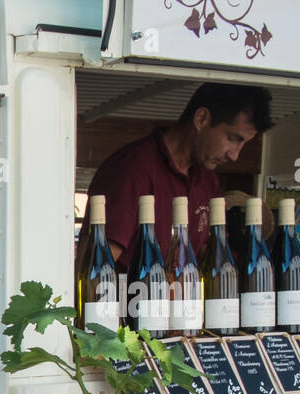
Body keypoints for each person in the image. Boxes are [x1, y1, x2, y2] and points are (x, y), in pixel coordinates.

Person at [88, 83, 274, 270]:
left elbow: (207, 259)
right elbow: (96, 267)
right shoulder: (134, 168)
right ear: (201, 119)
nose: (235, 155)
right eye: (233, 139)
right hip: (133, 297)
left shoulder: (208, 181)